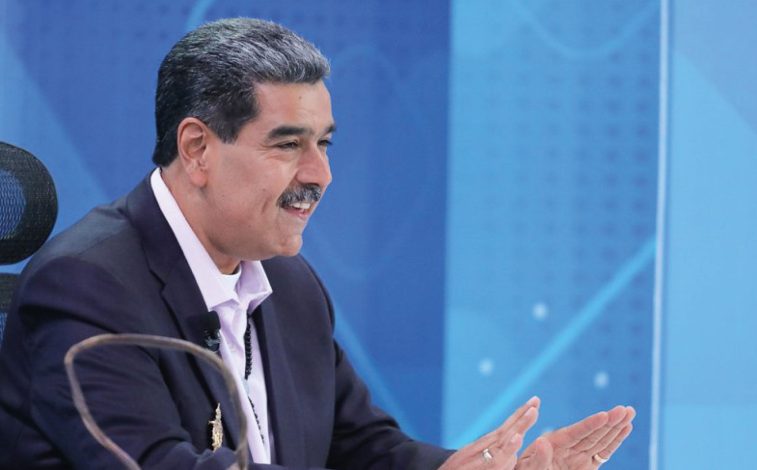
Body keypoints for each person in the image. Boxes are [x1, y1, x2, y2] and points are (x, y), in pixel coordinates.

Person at [0, 18, 634, 469]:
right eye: (288, 144)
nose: (320, 174)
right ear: (197, 149)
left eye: (324, 143)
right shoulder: (85, 286)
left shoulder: (289, 285)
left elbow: (360, 447)